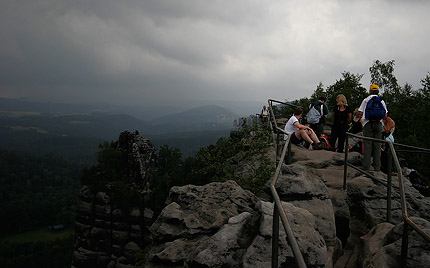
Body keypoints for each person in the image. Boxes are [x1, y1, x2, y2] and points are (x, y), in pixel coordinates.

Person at [357, 84, 388, 171]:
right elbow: (385, 115)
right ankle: (377, 167)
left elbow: (360, 112)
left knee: (367, 145)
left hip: (368, 123)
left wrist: (358, 118)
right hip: (378, 124)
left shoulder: (366, 100)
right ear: (377, 91)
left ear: (370, 91)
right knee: (377, 145)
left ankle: (366, 166)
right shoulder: (381, 101)